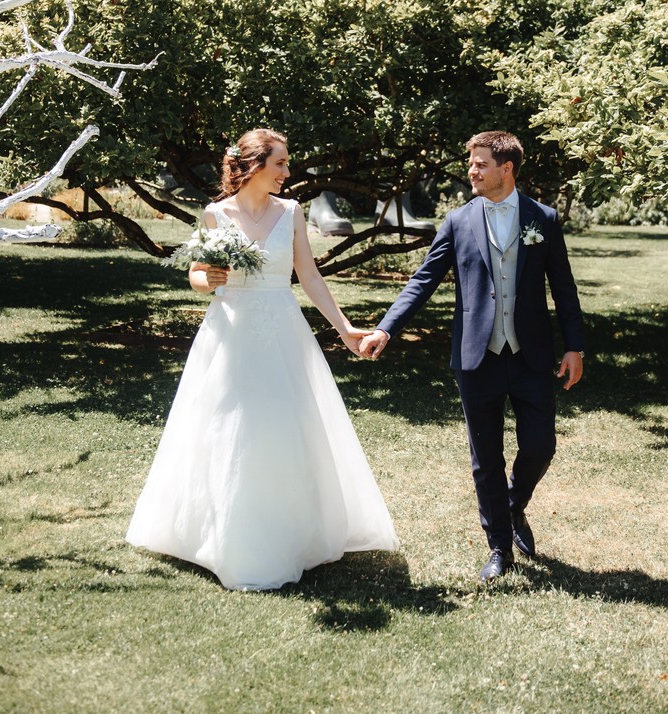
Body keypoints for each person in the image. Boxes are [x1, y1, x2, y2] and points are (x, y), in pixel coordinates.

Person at [127, 129, 398, 590]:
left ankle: (290, 532)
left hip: (281, 332)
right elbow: (197, 273)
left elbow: (308, 276)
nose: (287, 172)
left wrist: (344, 328)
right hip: (228, 334)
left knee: (282, 427)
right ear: (254, 166)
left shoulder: (291, 212)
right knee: (224, 426)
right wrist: (207, 279)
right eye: (281, 163)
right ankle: (222, 536)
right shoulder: (215, 214)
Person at [360, 131, 584, 582]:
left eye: (481, 164)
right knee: (486, 459)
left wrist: (574, 346)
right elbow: (423, 280)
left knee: (540, 446)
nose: (472, 171)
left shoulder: (542, 218)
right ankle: (499, 547)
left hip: (531, 354)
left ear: (507, 168)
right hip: (477, 357)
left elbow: (563, 286)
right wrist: (387, 327)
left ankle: (513, 505)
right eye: (471, 163)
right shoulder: (458, 221)